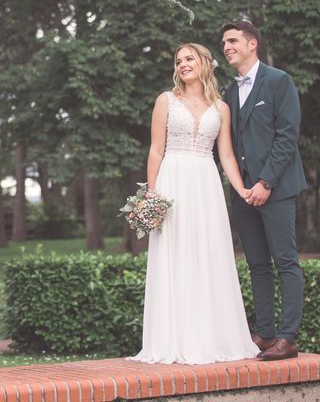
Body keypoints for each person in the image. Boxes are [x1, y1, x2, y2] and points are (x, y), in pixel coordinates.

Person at [129, 43, 259, 364]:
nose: (183, 64)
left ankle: (210, 337)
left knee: (207, 253)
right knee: (175, 253)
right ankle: (173, 339)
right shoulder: (166, 101)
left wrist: (242, 189)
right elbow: (156, 150)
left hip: (206, 183)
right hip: (173, 180)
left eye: (189, 59)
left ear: (204, 63)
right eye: (179, 61)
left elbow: (226, 154)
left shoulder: (221, 107)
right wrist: (152, 194)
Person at [221, 21, 307, 361]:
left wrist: (265, 182)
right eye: (224, 42)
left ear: (252, 43)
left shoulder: (278, 81)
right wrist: (242, 187)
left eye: (232, 40)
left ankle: (288, 337)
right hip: (243, 193)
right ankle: (266, 334)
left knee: (286, 261)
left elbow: (287, 136)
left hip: (276, 189)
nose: (226, 47)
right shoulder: (229, 90)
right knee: (257, 264)